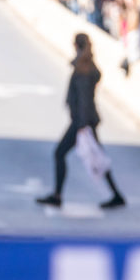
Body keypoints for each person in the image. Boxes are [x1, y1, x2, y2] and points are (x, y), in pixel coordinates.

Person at [36, 33, 125, 210]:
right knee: (98, 157)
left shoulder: (83, 69)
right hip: (85, 121)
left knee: (62, 154)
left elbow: (84, 100)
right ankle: (116, 194)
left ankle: (57, 195)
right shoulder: (88, 66)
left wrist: (82, 125)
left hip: (82, 122)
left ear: (76, 46)